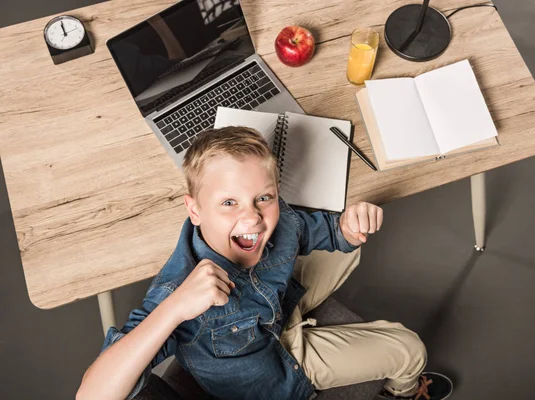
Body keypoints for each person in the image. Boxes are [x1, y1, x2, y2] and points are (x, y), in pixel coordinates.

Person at [76, 127, 453, 400]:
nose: (253, 218)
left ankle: (300, 309)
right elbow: (91, 396)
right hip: (274, 372)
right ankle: (404, 394)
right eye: (229, 203)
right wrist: (175, 309)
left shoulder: (278, 220)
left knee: (351, 249)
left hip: (278, 308)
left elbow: (318, 231)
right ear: (194, 209)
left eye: (263, 198)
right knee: (410, 350)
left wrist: (348, 227)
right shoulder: (178, 292)